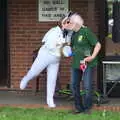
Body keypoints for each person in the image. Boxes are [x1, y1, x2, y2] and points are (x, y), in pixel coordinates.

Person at [20, 14, 73, 108]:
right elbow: (49, 45)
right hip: (45, 56)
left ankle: (50, 100)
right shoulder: (53, 31)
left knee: (52, 80)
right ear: (62, 23)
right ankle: (26, 79)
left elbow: (66, 48)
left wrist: (67, 51)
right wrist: (60, 44)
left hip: (55, 59)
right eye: (68, 22)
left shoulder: (68, 34)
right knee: (34, 72)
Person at [68, 13, 101, 114]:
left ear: (76, 23)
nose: (69, 24)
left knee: (87, 86)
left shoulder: (86, 31)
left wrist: (92, 56)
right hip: (76, 64)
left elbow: (98, 45)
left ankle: (87, 108)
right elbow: (71, 46)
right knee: (74, 85)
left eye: (70, 22)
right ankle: (79, 108)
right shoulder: (73, 34)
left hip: (87, 64)